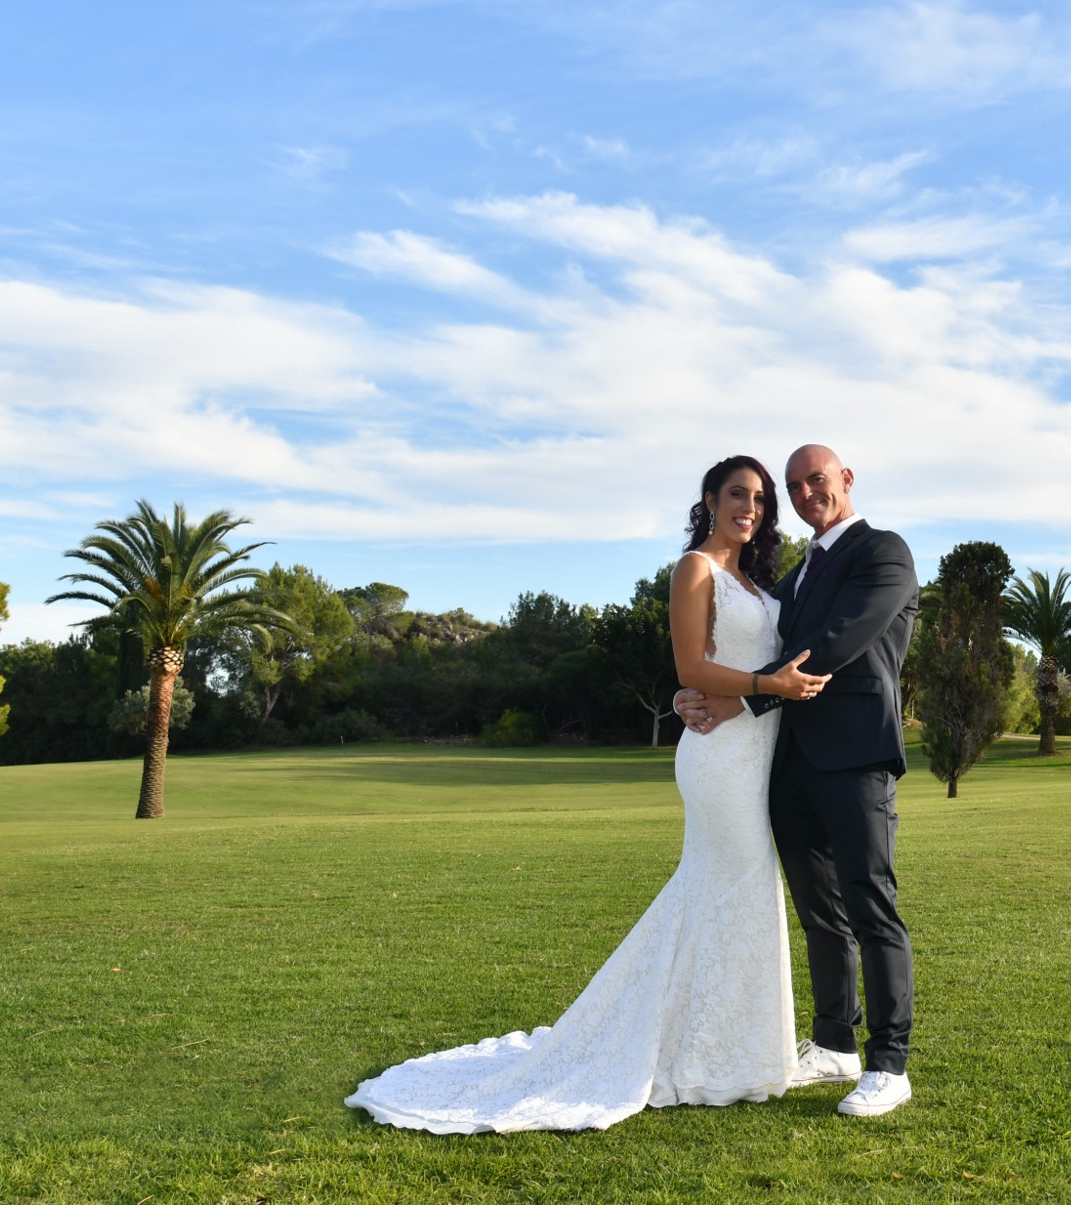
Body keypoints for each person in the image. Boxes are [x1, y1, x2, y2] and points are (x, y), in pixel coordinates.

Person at [345, 456, 829, 1134]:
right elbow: (691, 665)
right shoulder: (696, 569)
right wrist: (766, 686)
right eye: (737, 495)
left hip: (756, 754)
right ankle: (714, 1055)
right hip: (719, 760)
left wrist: (748, 691)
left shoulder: (758, 578)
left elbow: (737, 664)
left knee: (738, 894)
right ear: (711, 500)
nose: (749, 507)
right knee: (734, 885)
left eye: (759, 498)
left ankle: (741, 1049)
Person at [675, 444, 920, 1118]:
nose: (807, 492)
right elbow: (744, 644)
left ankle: (889, 1063)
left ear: (845, 479)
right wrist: (689, 692)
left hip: (856, 758)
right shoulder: (796, 573)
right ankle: (836, 1040)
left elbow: (837, 643)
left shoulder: (884, 552)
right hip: (788, 764)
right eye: (795, 486)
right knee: (819, 910)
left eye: (817, 479)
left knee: (871, 904)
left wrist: (743, 698)